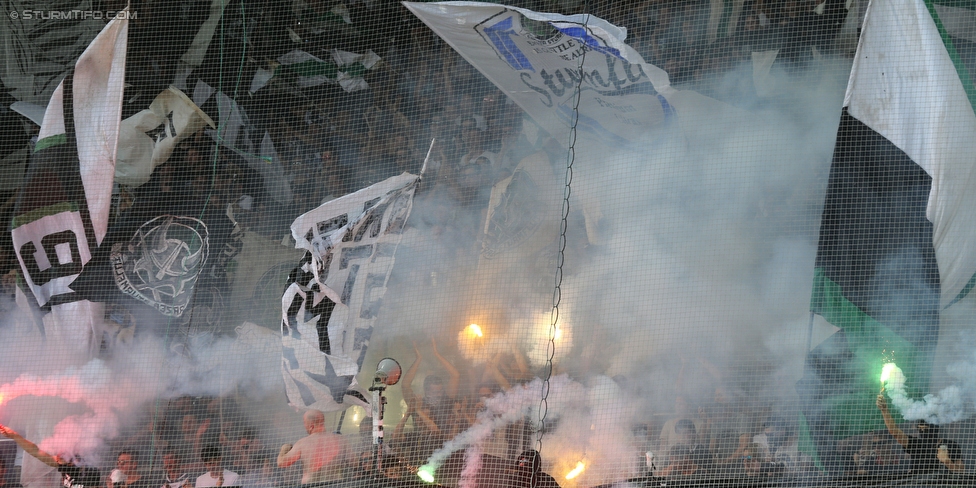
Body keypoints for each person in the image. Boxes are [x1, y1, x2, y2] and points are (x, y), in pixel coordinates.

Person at [0, 424, 101, 488]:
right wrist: (14, 435)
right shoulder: (64, 466)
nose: (58, 453)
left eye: (63, 449)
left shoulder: (89, 470)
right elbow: (35, 451)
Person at [277, 410, 349, 486]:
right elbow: (355, 462)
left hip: (311, 485)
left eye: (305, 423)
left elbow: (282, 462)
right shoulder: (340, 439)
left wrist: (284, 449)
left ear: (311, 426)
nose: (304, 426)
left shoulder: (302, 443)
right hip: (334, 485)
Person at [877, 394, 942, 474]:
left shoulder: (948, 445)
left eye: (925, 428)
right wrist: (884, 410)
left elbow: (960, 469)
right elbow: (895, 432)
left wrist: (948, 462)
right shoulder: (919, 445)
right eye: (920, 428)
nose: (922, 430)